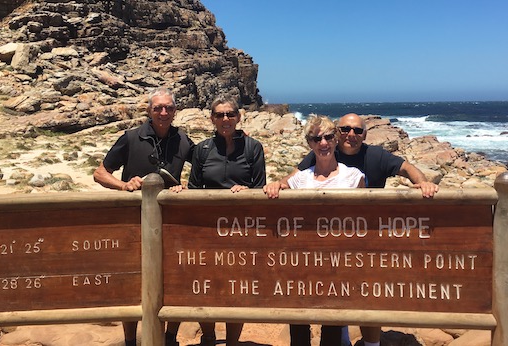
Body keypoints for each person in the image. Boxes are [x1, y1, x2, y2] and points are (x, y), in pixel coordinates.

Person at [264, 113, 439, 346]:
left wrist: (423, 182)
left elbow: (406, 168)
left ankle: (370, 343)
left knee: (367, 294)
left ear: (363, 134)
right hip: (311, 253)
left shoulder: (370, 161)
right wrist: (278, 184)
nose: (350, 134)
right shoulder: (317, 156)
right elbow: (291, 180)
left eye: (357, 130)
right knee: (307, 309)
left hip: (358, 244)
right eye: (345, 129)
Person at [93, 87, 194, 346]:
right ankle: (129, 340)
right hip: (133, 222)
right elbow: (100, 173)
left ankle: (170, 337)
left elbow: (205, 164)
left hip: (171, 222)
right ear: (149, 111)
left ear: (175, 111)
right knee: (133, 281)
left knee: (175, 277)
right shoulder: (131, 137)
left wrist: (238, 138)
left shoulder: (183, 140)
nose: (163, 112)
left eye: (168, 108)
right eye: (158, 108)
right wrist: (123, 185)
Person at [171, 95, 266, 345]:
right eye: (220, 115)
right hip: (208, 230)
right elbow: (194, 187)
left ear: (239, 117)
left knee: (237, 287)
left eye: (230, 114)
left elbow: (261, 187)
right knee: (206, 285)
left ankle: (233, 341)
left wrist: (248, 192)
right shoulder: (202, 149)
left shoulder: (253, 147)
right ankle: (209, 336)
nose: (225, 119)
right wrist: (183, 192)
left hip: (241, 231)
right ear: (212, 119)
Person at [264, 114, 364, 346]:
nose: (323, 143)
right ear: (309, 143)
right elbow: (280, 186)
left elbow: (362, 219)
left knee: (332, 325)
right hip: (302, 261)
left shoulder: (353, 177)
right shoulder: (301, 179)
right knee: (298, 322)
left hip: (339, 262)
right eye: (316, 138)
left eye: (329, 137)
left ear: (336, 139)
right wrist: (275, 185)